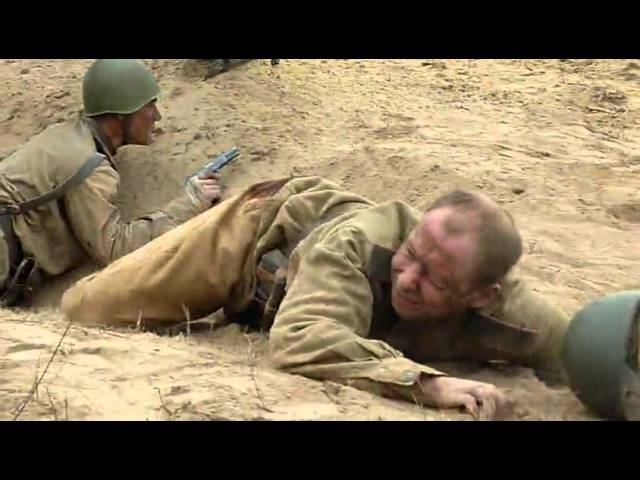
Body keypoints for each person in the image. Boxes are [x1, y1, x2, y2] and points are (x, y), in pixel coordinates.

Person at [61, 176, 570, 420]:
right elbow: (301, 337)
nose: (408, 279)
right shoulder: (356, 245)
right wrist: (428, 384)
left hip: (292, 290)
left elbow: (585, 348)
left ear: (482, 295)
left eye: (436, 279)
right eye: (411, 252)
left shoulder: (513, 313)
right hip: (254, 238)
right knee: (85, 309)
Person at [0, 59, 221, 306]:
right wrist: (189, 203)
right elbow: (115, 249)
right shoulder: (87, 165)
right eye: (148, 106)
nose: (157, 116)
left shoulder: (65, 136)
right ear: (119, 116)